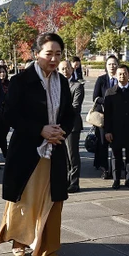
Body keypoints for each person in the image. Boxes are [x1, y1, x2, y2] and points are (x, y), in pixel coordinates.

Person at [0, 32, 75, 256]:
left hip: (55, 150)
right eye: (48, 54)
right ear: (36, 54)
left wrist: (59, 131)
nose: (53, 59)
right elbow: (9, 115)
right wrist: (40, 130)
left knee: (54, 202)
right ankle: (19, 239)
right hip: (28, 152)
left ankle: (49, 253)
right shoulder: (21, 81)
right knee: (24, 201)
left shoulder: (61, 82)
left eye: (58, 54)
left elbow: (70, 113)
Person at [58, 60, 84, 193]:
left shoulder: (77, 86)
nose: (65, 71)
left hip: (72, 126)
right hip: (59, 125)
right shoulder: (56, 85)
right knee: (64, 156)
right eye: (62, 69)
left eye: (67, 68)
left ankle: (74, 182)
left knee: (72, 155)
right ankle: (66, 180)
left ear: (72, 69)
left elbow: (75, 107)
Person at [92, 55, 119, 179]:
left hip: (117, 117)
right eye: (109, 64)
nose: (112, 66)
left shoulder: (121, 78)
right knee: (102, 143)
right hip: (103, 117)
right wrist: (108, 102)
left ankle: (117, 167)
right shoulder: (101, 79)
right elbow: (95, 98)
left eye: (114, 64)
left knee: (116, 143)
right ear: (106, 66)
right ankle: (104, 168)